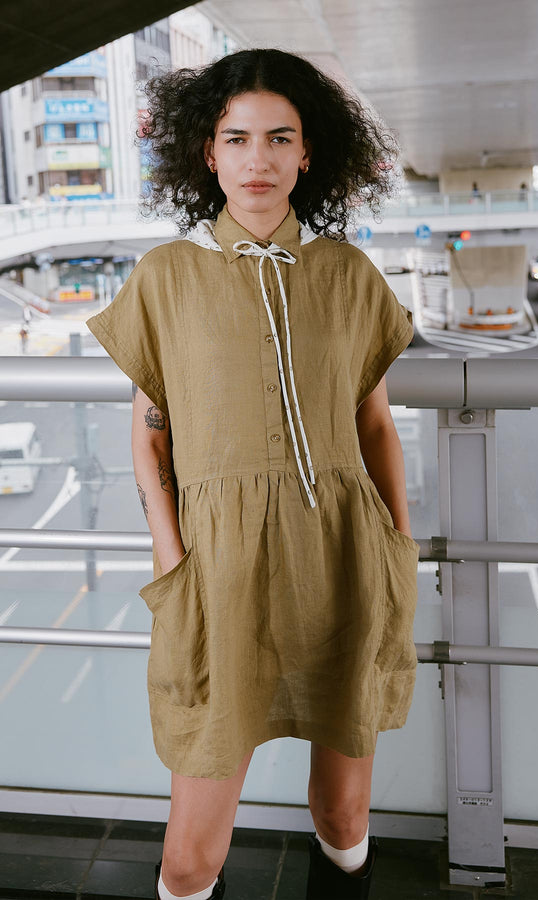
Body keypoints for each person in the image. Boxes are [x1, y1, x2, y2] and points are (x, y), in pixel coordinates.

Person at [86, 47, 420, 900]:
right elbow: (149, 441)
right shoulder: (166, 277)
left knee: (345, 817)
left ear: (309, 153)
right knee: (193, 853)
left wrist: (398, 546)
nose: (258, 159)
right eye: (237, 138)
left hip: (343, 560)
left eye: (280, 138)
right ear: (208, 152)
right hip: (217, 577)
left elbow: (374, 423)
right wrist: (174, 566)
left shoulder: (348, 274)